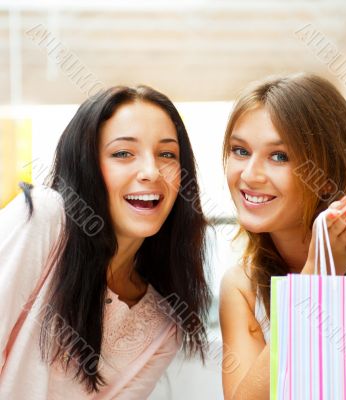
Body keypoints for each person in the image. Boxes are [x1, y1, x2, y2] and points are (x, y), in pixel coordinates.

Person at [0, 86, 211, 399]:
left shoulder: (163, 325)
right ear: (87, 165)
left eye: (167, 154)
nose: (151, 172)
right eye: (123, 153)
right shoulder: (43, 218)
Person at [218, 74, 346, 400]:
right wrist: (314, 278)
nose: (249, 175)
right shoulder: (242, 286)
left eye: (279, 156)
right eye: (240, 151)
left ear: (328, 177)